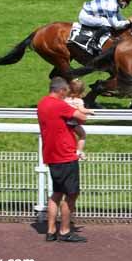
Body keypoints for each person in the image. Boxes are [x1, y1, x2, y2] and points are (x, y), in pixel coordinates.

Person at [37, 77, 88, 243]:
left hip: (51, 155)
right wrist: (78, 107)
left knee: (57, 193)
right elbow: (82, 118)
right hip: (65, 154)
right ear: (61, 91)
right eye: (65, 92)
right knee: (71, 194)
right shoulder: (59, 105)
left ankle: (51, 230)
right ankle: (65, 231)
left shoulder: (42, 103)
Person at [64, 79, 94, 160]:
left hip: (63, 122)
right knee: (82, 135)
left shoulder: (64, 99)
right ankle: (79, 151)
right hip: (73, 122)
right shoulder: (78, 101)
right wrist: (90, 111)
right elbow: (82, 110)